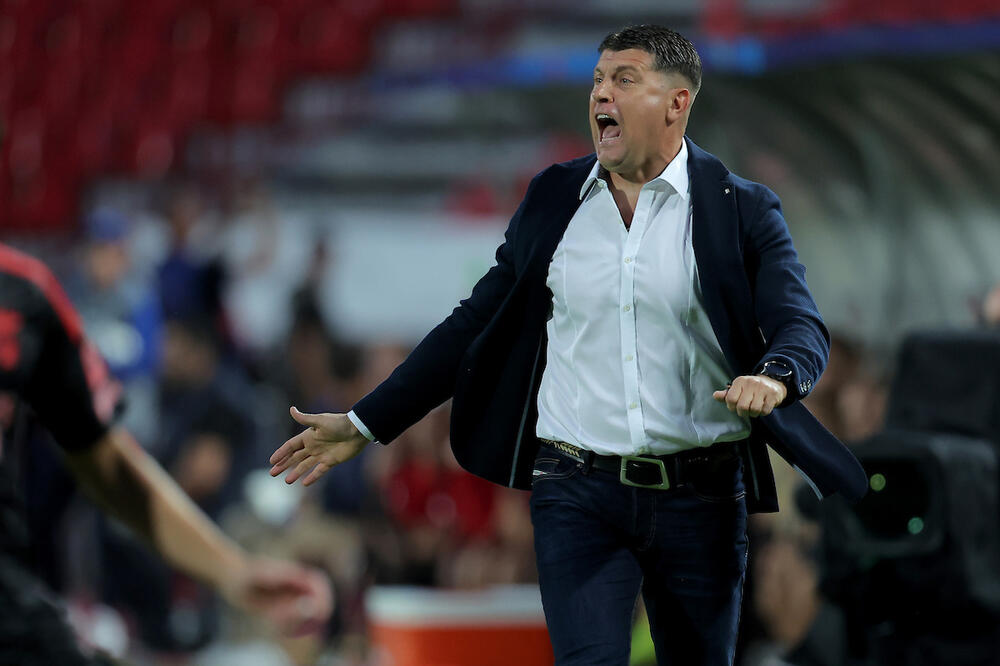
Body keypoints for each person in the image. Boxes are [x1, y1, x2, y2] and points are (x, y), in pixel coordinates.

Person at [269, 25, 866, 665]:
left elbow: (800, 323)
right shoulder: (554, 198)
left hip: (703, 494)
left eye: (624, 80)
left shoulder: (741, 209)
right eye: (597, 80)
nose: (601, 94)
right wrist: (366, 423)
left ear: (677, 102)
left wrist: (776, 376)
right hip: (577, 490)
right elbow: (472, 323)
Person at [0, 242, 331, 665]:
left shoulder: (23, 294)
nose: (164, 349)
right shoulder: (174, 400)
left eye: (173, 340)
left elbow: (104, 457)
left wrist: (232, 569)